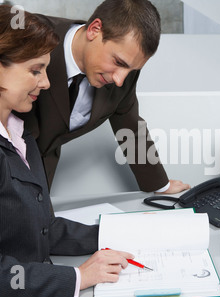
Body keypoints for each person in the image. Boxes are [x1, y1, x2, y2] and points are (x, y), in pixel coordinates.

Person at [0, 5, 133, 297]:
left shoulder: (19, 130)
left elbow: (41, 227)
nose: (45, 83)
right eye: (35, 70)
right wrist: (78, 277)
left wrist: (110, 236)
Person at [18, 0, 190, 194]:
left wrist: (160, 185)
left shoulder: (123, 75)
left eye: (131, 70)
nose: (119, 79)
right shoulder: (28, 35)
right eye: (118, 62)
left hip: (40, 180)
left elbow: (130, 127)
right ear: (94, 29)